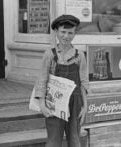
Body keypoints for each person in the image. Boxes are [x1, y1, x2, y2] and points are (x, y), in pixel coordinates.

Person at [34, 14, 88, 147]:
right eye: (63, 32)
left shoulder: (79, 55)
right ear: (56, 32)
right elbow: (42, 80)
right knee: (53, 140)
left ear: (75, 34)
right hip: (54, 103)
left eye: (70, 32)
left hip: (75, 103)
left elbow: (84, 82)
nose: (66, 36)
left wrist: (85, 106)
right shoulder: (50, 54)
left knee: (75, 140)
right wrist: (42, 104)